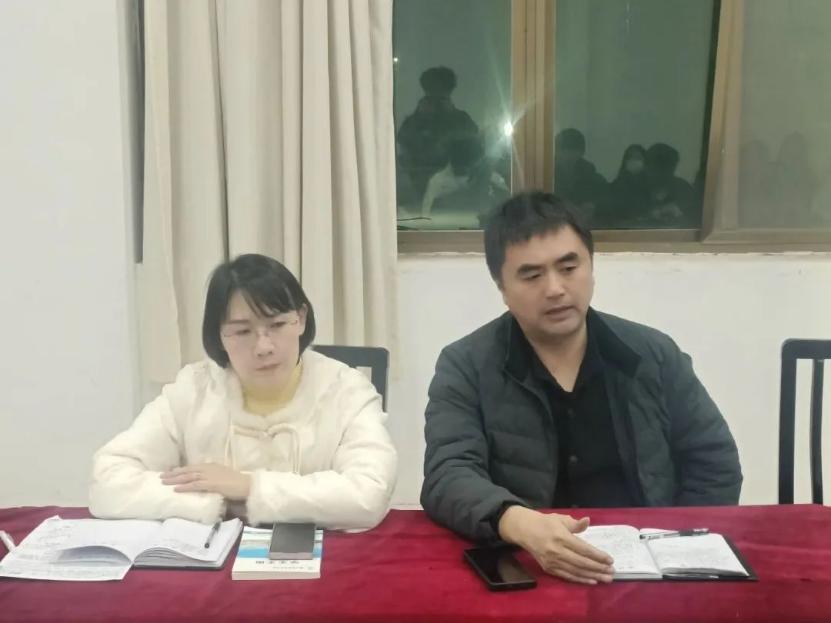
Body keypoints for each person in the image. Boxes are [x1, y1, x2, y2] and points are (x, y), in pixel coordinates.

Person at [421, 192, 742, 584]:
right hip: (530, 563)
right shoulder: (466, 364)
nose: (555, 288)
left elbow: (713, 460)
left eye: (569, 267)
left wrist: (676, 550)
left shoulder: (652, 354)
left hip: (648, 571)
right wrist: (516, 521)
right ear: (501, 287)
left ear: (591, 267)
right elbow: (448, 474)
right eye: (532, 275)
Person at [90, 254, 398, 530]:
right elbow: (107, 482)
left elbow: (369, 494)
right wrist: (216, 502)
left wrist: (248, 487)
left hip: (322, 564)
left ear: (301, 319)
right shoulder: (193, 390)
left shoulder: (347, 390)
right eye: (242, 331)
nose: (263, 347)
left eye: (277, 325)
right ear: (220, 336)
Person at [397, 66, 479, 201]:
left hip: (454, 190)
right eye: (432, 97)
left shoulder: (462, 121)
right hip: (417, 187)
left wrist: (452, 117)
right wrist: (419, 118)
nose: (436, 104)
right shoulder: (414, 122)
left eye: (441, 98)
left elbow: (472, 148)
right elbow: (404, 146)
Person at [553, 129, 608, 224]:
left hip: (586, 227)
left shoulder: (592, 175)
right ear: (556, 151)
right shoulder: (546, 173)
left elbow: (607, 201)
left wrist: (594, 206)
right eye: (565, 150)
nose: (569, 155)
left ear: (582, 152)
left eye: (574, 150)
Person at [644, 143, 697, 227]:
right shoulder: (636, 188)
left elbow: (694, 223)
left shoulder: (683, 188)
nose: (662, 170)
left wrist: (678, 214)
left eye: (669, 165)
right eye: (657, 165)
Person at [599, 144, 649, 228]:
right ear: (625, 161)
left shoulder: (651, 186)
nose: (634, 161)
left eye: (638, 158)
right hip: (622, 230)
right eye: (630, 157)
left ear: (645, 161)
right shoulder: (615, 186)